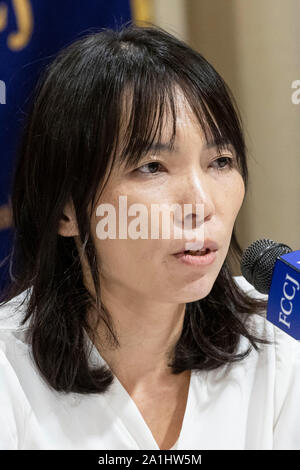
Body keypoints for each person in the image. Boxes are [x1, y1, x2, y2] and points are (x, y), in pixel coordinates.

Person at [0, 23, 300, 451]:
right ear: (65, 208)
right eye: (152, 167)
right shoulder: (9, 374)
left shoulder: (279, 340)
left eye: (220, 161)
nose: (201, 203)